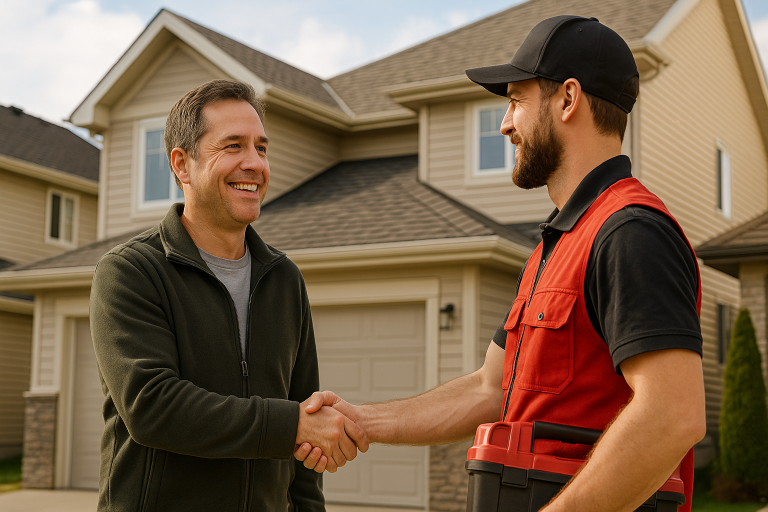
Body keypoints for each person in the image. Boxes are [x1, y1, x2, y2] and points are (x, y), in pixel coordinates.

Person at [295, 15, 705, 512]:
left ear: (568, 99)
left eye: (515, 101)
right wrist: (361, 420)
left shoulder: (629, 233)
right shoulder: (557, 246)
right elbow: (490, 387)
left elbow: (672, 414)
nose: (506, 123)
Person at [90, 79, 368, 512]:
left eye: (261, 147)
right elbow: (152, 406)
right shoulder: (131, 271)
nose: (255, 164)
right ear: (182, 165)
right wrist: (290, 424)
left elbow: (305, 416)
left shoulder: (284, 279)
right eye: (233, 146)